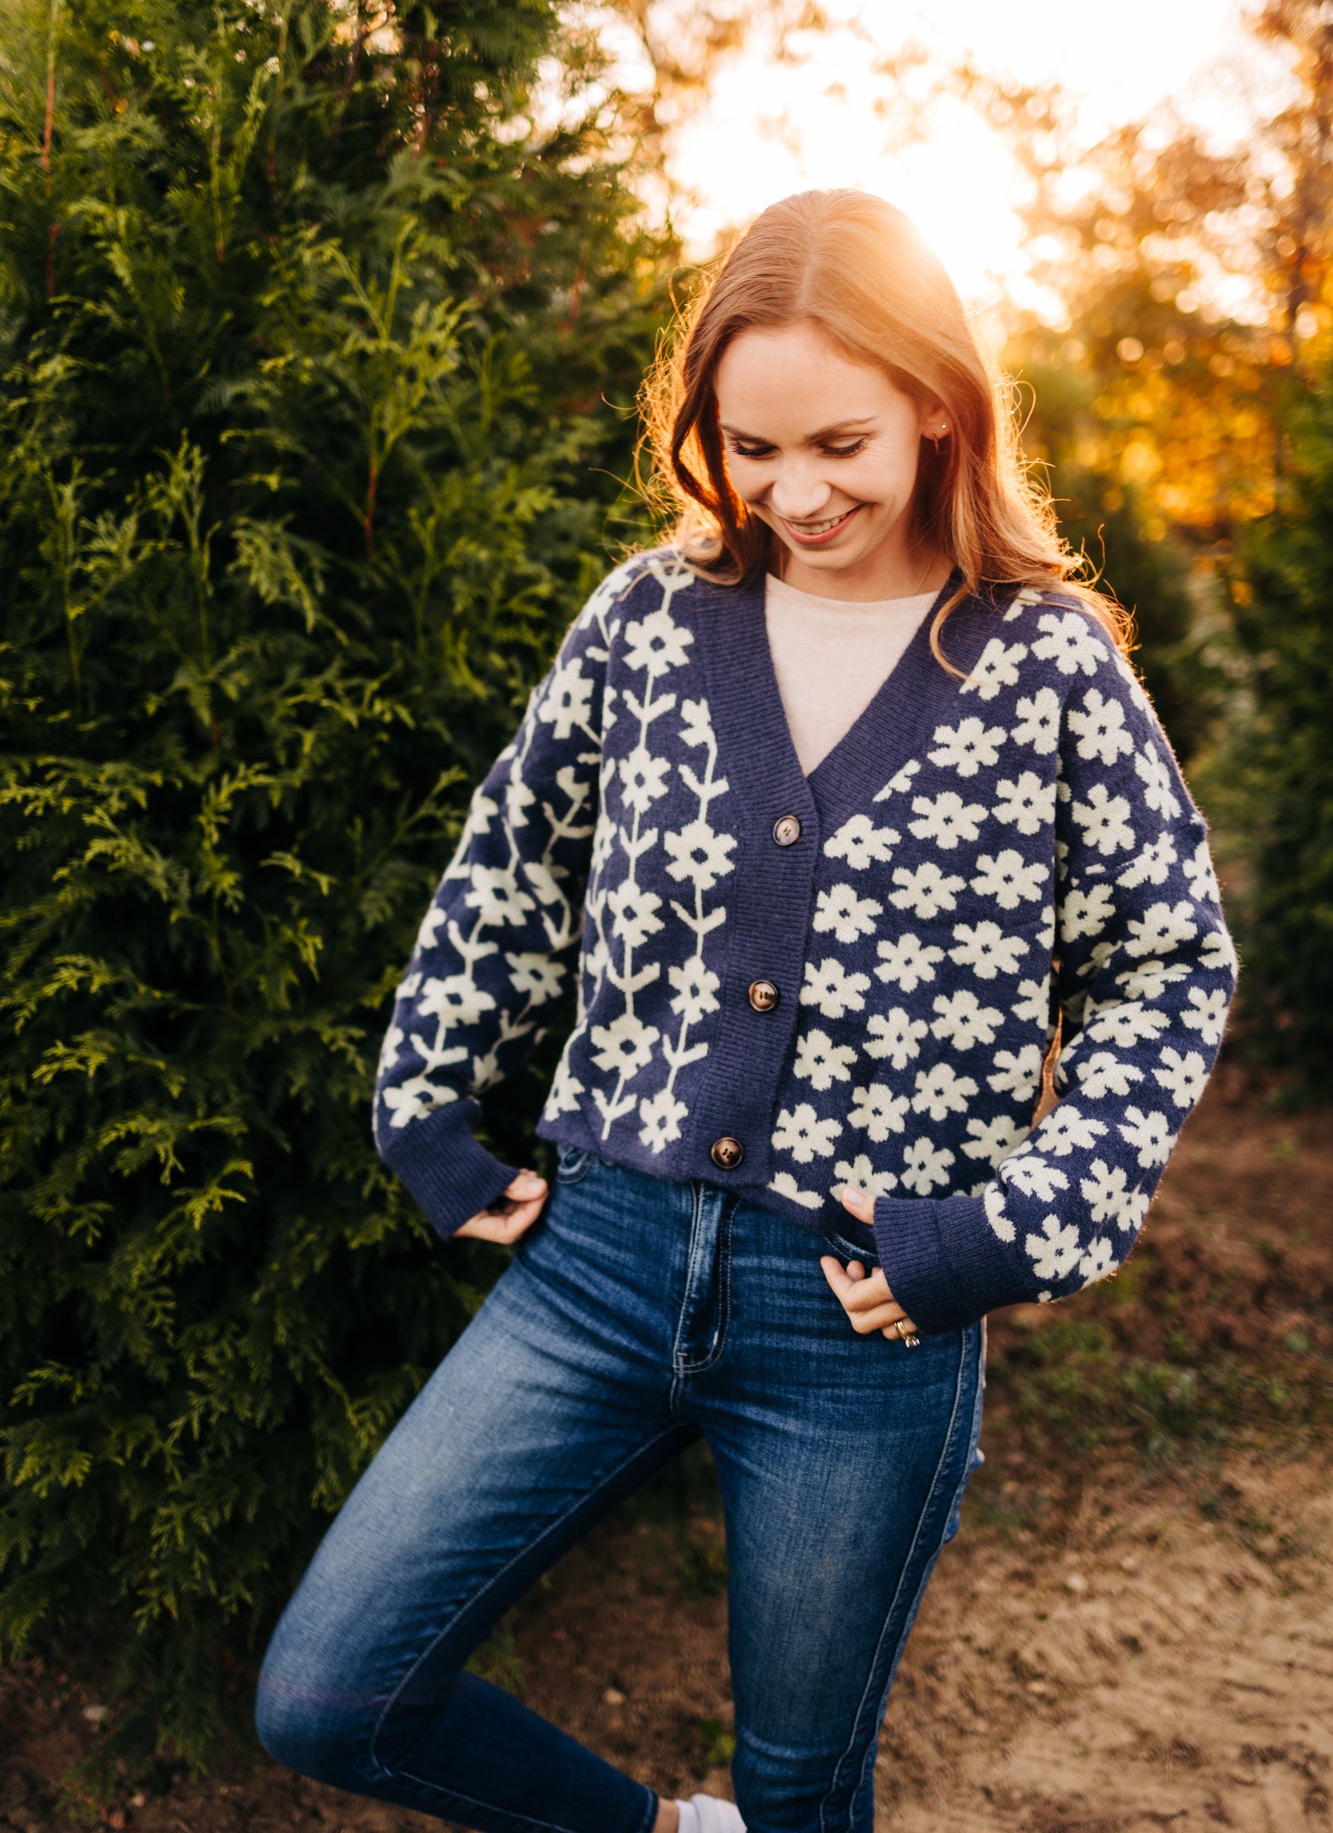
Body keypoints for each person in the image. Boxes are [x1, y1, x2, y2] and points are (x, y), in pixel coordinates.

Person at [254, 189, 1236, 1833]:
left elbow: (1165, 963)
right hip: (601, 1266)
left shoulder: (1045, 663)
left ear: (937, 401)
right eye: (749, 448)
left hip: (861, 1314)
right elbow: (514, 863)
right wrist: (424, 1109)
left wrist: (1010, 1228)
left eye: (839, 443)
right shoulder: (651, 620)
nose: (795, 494)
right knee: (331, 1694)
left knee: (800, 1787)